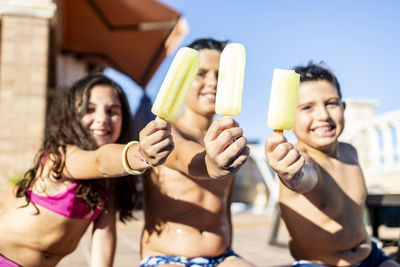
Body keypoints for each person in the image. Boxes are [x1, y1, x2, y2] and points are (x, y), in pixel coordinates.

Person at [0, 73, 174, 267]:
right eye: (89, 109)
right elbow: (99, 161)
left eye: (112, 111)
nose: (102, 118)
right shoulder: (61, 157)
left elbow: (104, 235)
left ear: (124, 119)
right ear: (72, 115)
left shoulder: (110, 182)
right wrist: (141, 154)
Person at [264, 63, 399, 266]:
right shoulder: (301, 157)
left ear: (344, 108)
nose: (323, 115)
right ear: (289, 117)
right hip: (318, 263)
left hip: (369, 256)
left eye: (331, 103)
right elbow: (304, 178)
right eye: (307, 107)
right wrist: (293, 173)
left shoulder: (349, 151)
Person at [140, 38, 254, 267]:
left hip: (223, 256)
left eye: (220, 75)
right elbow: (187, 157)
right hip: (166, 258)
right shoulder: (165, 132)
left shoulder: (228, 139)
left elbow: (225, 207)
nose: (212, 82)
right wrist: (213, 164)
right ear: (182, 81)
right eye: (201, 73)